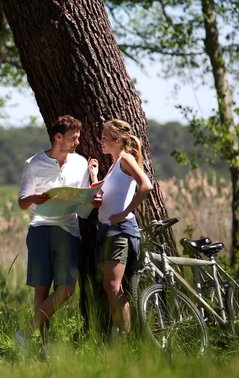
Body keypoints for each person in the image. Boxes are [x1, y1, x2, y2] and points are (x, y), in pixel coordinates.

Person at [14, 115, 97, 353]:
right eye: (73, 138)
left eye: (78, 138)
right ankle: (43, 346)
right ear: (58, 137)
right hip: (40, 228)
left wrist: (93, 199)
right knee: (41, 289)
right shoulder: (33, 163)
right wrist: (32, 198)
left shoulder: (80, 163)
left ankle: (26, 332)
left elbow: (82, 203)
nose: (77, 142)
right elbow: (22, 202)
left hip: (68, 229)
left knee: (67, 289)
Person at [88, 119, 153, 335]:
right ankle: (124, 334)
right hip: (107, 232)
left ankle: (125, 337)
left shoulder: (125, 159)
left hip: (120, 231)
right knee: (111, 286)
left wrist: (125, 213)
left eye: (104, 138)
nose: (101, 141)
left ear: (117, 140)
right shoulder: (115, 164)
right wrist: (95, 177)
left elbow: (146, 185)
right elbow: (110, 195)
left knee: (113, 286)